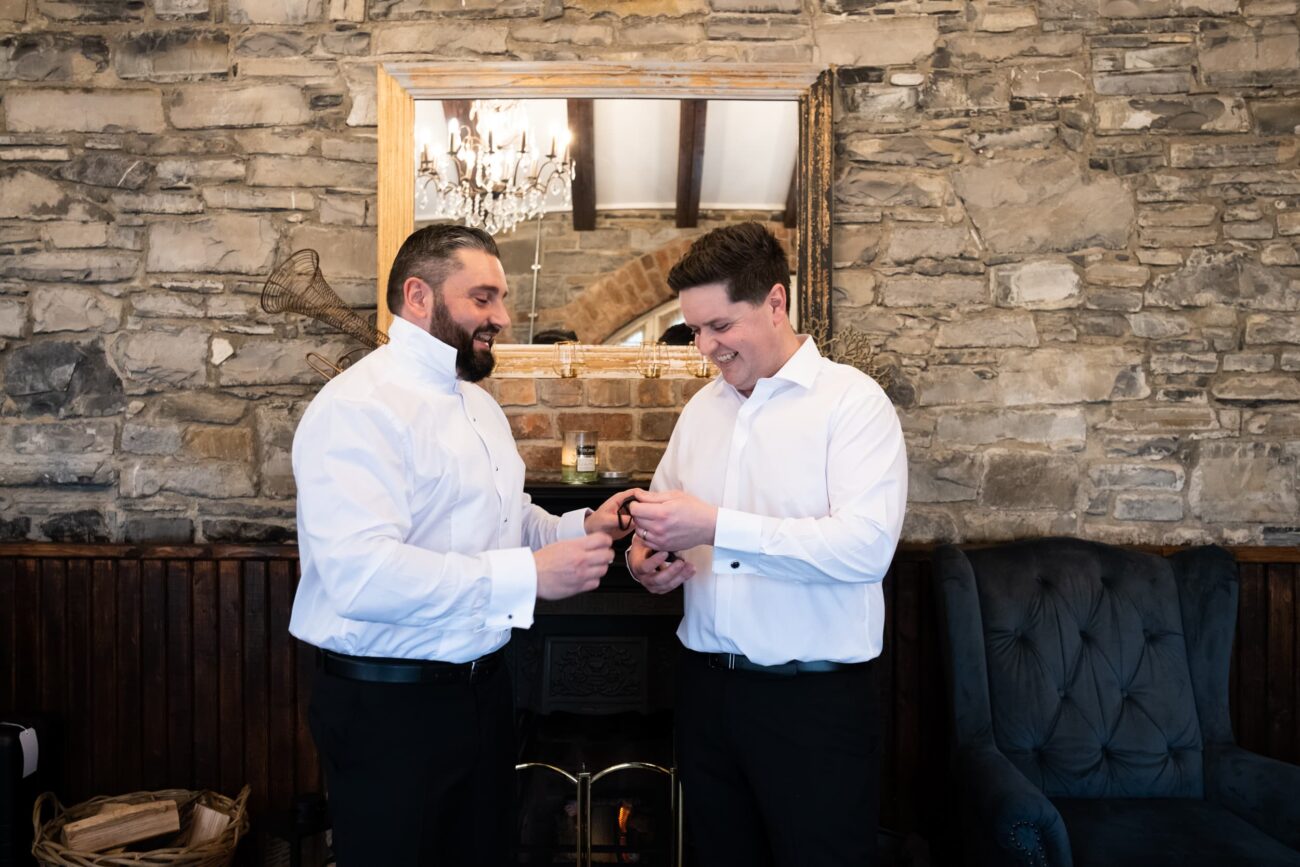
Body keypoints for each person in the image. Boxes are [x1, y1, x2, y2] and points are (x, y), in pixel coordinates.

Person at [289, 224, 638, 866]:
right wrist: (528, 575)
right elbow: (362, 576)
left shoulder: (479, 407)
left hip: (482, 694)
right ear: (418, 296)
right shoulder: (357, 408)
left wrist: (580, 528)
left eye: (501, 299)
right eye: (483, 298)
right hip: (389, 709)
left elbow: (506, 517)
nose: (502, 318)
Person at [626, 222, 908, 867]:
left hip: (815, 705)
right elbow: (662, 519)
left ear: (775, 303)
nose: (705, 347)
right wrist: (646, 561)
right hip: (706, 694)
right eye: (695, 330)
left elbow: (865, 550)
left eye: (720, 327)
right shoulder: (702, 409)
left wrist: (716, 527)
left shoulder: (853, 405)